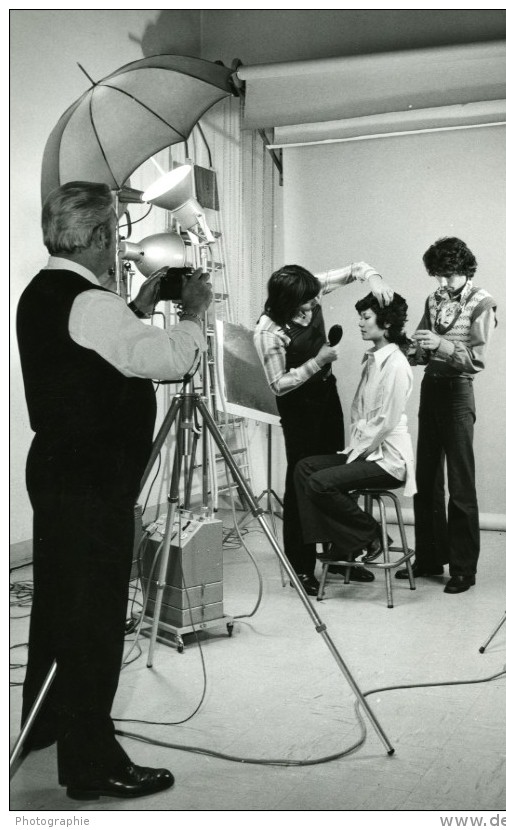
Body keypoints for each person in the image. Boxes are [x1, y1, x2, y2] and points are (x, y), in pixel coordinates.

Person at [16, 181, 212, 800]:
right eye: (117, 233)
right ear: (100, 236)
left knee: (57, 606)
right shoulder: (91, 304)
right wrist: (194, 315)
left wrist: (136, 307)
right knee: (96, 620)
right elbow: (167, 359)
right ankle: (90, 762)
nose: (121, 244)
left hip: (59, 470)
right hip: (92, 483)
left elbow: (100, 350)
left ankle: (43, 723)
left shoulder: (45, 293)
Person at [254, 262, 394, 596]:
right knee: (302, 481)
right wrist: (317, 361)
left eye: (315, 300)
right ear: (288, 303)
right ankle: (301, 567)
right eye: (306, 305)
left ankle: (342, 555)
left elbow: (356, 269)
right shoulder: (267, 332)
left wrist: (374, 280)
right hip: (298, 407)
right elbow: (278, 384)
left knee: (335, 472)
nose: (314, 306)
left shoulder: (308, 289)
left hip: (325, 397)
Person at [396, 236, 497, 594]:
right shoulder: (434, 298)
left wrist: (442, 345)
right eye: (437, 275)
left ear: (464, 269)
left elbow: (476, 361)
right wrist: (403, 346)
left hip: (457, 393)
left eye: (448, 276)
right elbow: (422, 351)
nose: (441, 283)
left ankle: (463, 569)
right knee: (426, 478)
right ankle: (428, 557)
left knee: (460, 483)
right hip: (431, 390)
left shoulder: (482, 302)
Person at [294, 292, 415, 563]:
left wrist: (353, 457)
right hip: (366, 452)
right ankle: (347, 542)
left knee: (320, 482)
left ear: (386, 323)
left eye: (366, 317)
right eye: (360, 317)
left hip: (387, 460)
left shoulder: (395, 364)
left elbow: (386, 422)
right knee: (305, 468)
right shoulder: (373, 360)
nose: (360, 323)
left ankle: (370, 534)